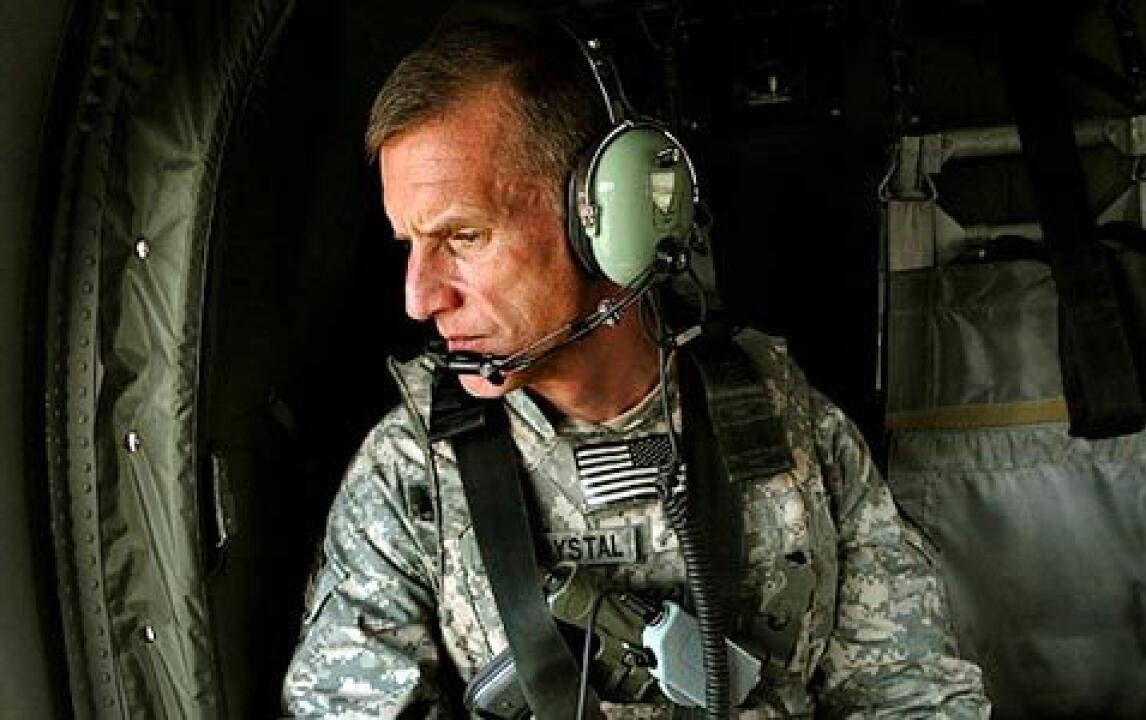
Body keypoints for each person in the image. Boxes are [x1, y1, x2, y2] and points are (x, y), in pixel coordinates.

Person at [283, 8, 990, 718]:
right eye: (409, 244)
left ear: (607, 218)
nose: (419, 297)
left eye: (463, 237)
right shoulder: (409, 477)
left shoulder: (788, 427)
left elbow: (913, 694)